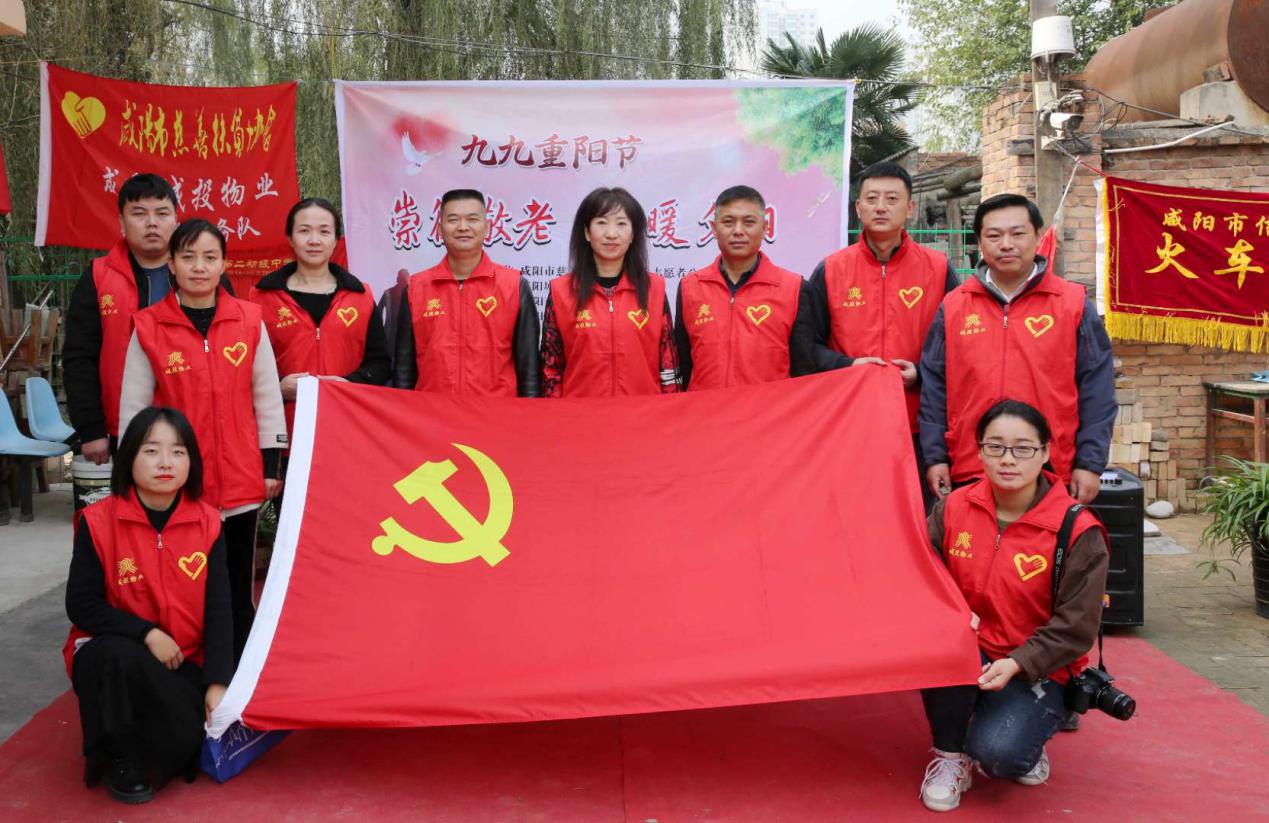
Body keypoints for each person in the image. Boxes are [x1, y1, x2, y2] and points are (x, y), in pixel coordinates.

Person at [918, 399, 1108, 812]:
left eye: (1023, 448)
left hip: (1036, 663)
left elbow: (1076, 627)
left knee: (1000, 755)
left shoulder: (1077, 529)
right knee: (936, 642)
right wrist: (946, 614)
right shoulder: (954, 508)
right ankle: (950, 756)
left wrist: (1020, 662)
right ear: (980, 451)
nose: (1007, 459)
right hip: (967, 648)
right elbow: (921, 573)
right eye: (995, 447)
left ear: (1045, 452)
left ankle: (1025, 733)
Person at [118, 219, 286, 663]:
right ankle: (190, 671)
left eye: (210, 257)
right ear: (171, 265)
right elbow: (134, 411)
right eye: (188, 257)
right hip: (178, 483)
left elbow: (267, 396)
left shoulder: (249, 319)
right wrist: (136, 476)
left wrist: (271, 465)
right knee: (184, 584)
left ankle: (240, 672)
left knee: (237, 583)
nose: (199, 267)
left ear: (224, 263)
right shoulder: (149, 327)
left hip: (241, 479)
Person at [64, 407, 232, 805]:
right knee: (110, 654)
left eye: (178, 452)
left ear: (191, 461)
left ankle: (161, 742)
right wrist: (147, 634)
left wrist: (217, 682)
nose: (165, 463)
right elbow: (81, 604)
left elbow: (220, 610)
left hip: (183, 662)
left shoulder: (209, 523)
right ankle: (121, 757)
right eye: (151, 451)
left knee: (186, 734)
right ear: (129, 458)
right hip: (117, 657)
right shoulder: (97, 522)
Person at [918, 193, 1116, 505]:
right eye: (994, 235)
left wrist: (1089, 463)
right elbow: (934, 388)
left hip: (1050, 469)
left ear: (1038, 236)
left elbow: (1098, 388)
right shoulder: (954, 306)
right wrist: (936, 457)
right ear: (979, 242)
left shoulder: (1072, 304)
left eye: (1017, 233)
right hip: (971, 466)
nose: (1006, 244)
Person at [809, 162, 959, 500]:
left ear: (910, 208)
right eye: (871, 198)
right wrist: (849, 367)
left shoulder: (938, 269)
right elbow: (808, 348)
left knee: (916, 516)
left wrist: (920, 373)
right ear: (858, 207)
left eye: (892, 199)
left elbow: (959, 348)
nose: (880, 207)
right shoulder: (831, 270)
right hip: (847, 424)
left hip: (918, 425)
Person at [63, 174, 180, 463]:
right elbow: (80, 358)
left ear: (176, 221)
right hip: (126, 425)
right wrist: (91, 429)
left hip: (191, 421)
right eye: (139, 214)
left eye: (162, 213)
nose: (151, 223)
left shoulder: (203, 275)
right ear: (121, 223)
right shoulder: (98, 277)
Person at [250, 198, 391, 429]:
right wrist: (278, 388)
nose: (314, 240)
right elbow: (246, 369)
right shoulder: (261, 297)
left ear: (336, 240)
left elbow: (380, 363)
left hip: (347, 424)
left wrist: (348, 384)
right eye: (304, 231)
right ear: (290, 238)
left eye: (324, 231)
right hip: (282, 426)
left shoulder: (360, 296)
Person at [394, 189, 541, 396]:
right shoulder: (416, 288)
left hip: (496, 411)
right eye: (453, 220)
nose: (463, 227)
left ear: (487, 227)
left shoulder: (514, 286)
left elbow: (530, 370)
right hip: (432, 410)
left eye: (472, 219)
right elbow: (404, 371)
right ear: (439, 229)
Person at [541, 187, 680, 397]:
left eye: (621, 224)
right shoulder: (561, 291)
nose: (611, 234)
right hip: (581, 413)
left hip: (643, 412)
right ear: (587, 232)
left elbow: (668, 364)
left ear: (633, 234)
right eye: (602, 223)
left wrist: (669, 409)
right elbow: (550, 369)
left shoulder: (654, 288)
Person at [674, 185, 814, 389]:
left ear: (765, 228)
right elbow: (683, 361)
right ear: (714, 228)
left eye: (749, 222)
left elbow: (804, 369)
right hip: (705, 407)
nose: (738, 231)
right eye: (728, 222)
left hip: (769, 408)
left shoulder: (794, 288)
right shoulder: (690, 286)